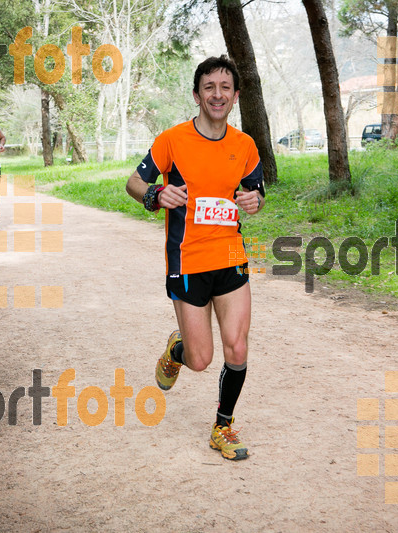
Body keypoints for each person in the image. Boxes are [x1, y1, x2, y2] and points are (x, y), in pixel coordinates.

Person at [125, 56, 265, 461]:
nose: (217, 94)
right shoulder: (172, 140)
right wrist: (154, 196)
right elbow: (135, 182)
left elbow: (254, 190)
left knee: (236, 348)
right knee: (201, 359)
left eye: (225, 87)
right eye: (209, 87)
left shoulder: (245, 146)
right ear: (197, 94)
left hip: (231, 256)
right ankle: (177, 351)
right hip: (187, 261)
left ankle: (223, 427)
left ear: (235, 97)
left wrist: (254, 201)